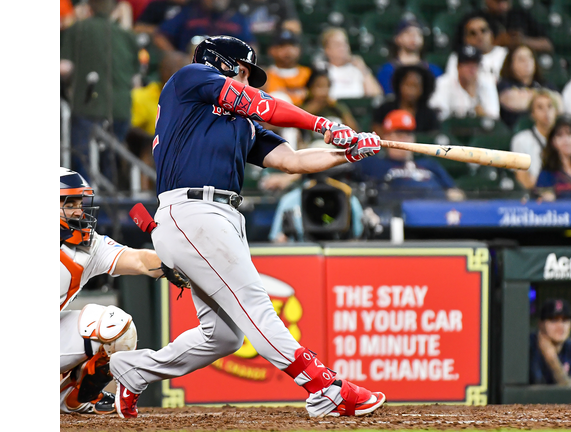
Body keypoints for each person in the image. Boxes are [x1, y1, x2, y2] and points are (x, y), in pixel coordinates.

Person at [106, 35, 385, 419]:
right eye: (243, 72)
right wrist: (322, 123)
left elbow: (292, 161)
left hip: (218, 217)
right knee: (254, 304)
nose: (248, 82)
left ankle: (135, 370)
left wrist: (347, 152)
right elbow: (261, 104)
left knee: (222, 336)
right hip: (192, 211)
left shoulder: (241, 123)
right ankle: (325, 388)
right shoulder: (191, 79)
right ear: (220, 63)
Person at [59, 167, 191, 415]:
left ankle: (72, 400)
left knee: (116, 327)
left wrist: (171, 263)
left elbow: (139, 260)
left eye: (80, 202)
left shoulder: (88, 245)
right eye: (69, 203)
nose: (78, 211)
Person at [60, 0, 140, 184]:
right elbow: (136, 81)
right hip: (120, 110)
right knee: (110, 160)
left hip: (87, 107)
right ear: (114, 9)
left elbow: (64, 68)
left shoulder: (78, 29)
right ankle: (110, 200)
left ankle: (86, 200)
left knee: (83, 160)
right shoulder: (128, 35)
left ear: (88, 7)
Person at [354, 110, 465, 202]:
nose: (405, 139)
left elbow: (456, 193)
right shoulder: (374, 164)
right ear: (386, 137)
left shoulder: (429, 164)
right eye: (399, 134)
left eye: (408, 134)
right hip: (397, 218)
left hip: (435, 216)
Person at [130, 50, 189, 190]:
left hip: (185, 150)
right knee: (151, 148)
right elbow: (130, 129)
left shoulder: (194, 99)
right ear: (161, 70)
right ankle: (145, 196)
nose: (173, 72)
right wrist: (156, 138)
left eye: (179, 69)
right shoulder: (142, 96)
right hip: (153, 148)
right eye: (170, 68)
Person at [497, 43, 561, 129]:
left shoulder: (545, 84)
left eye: (530, 57)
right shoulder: (504, 84)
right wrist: (543, 98)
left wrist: (526, 96)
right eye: (521, 59)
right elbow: (512, 101)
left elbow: (559, 105)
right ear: (511, 64)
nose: (527, 62)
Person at [429, 45, 500, 121]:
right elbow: (438, 114)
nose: (472, 69)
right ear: (458, 67)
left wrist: (474, 101)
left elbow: (494, 119)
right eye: (467, 64)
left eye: (475, 65)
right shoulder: (443, 83)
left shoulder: (487, 83)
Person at [153, 0, 253, 54]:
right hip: (191, 64)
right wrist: (175, 55)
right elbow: (160, 36)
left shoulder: (237, 17)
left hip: (228, 68)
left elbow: (251, 44)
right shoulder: (189, 12)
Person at [375, 18, 443, 96]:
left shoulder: (434, 70)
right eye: (408, 33)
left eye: (418, 34)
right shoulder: (387, 70)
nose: (413, 37)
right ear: (398, 38)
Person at [529, 299, 571, 386]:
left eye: (565, 320)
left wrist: (552, 359)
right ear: (540, 324)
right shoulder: (528, 346)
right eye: (554, 320)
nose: (560, 326)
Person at [509, 89, 558, 190]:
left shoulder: (564, 140)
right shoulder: (521, 140)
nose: (546, 112)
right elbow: (523, 180)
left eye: (550, 106)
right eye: (540, 107)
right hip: (536, 195)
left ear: (556, 111)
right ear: (532, 114)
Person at [372, 64, 440, 136]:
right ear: (399, 85)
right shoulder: (385, 109)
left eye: (415, 86)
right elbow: (376, 133)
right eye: (407, 85)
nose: (411, 91)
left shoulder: (429, 115)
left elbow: (432, 138)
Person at [318, 27, 383, 100]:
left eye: (344, 44)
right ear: (327, 50)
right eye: (337, 44)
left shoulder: (357, 69)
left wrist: (363, 69)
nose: (342, 48)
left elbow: (375, 96)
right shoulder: (321, 69)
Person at [444, 11, 509, 82]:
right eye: (473, 33)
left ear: (491, 34)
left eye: (483, 30)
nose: (479, 36)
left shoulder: (506, 54)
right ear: (465, 39)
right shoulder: (457, 57)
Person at [479, 0, 553, 52]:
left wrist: (523, 41)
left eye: (505, 1)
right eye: (498, 1)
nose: (502, 5)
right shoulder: (478, 18)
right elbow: (470, 47)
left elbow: (548, 45)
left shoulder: (520, 14)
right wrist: (497, 43)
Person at [263, 29, 312, 105]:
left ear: (299, 49)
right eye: (282, 46)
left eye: (292, 45)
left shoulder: (309, 74)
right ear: (271, 50)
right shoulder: (264, 76)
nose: (288, 50)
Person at [234, 0, 302, 41]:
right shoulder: (238, 2)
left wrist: (278, 25)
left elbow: (295, 27)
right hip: (245, 44)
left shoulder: (280, 2)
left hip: (274, 45)